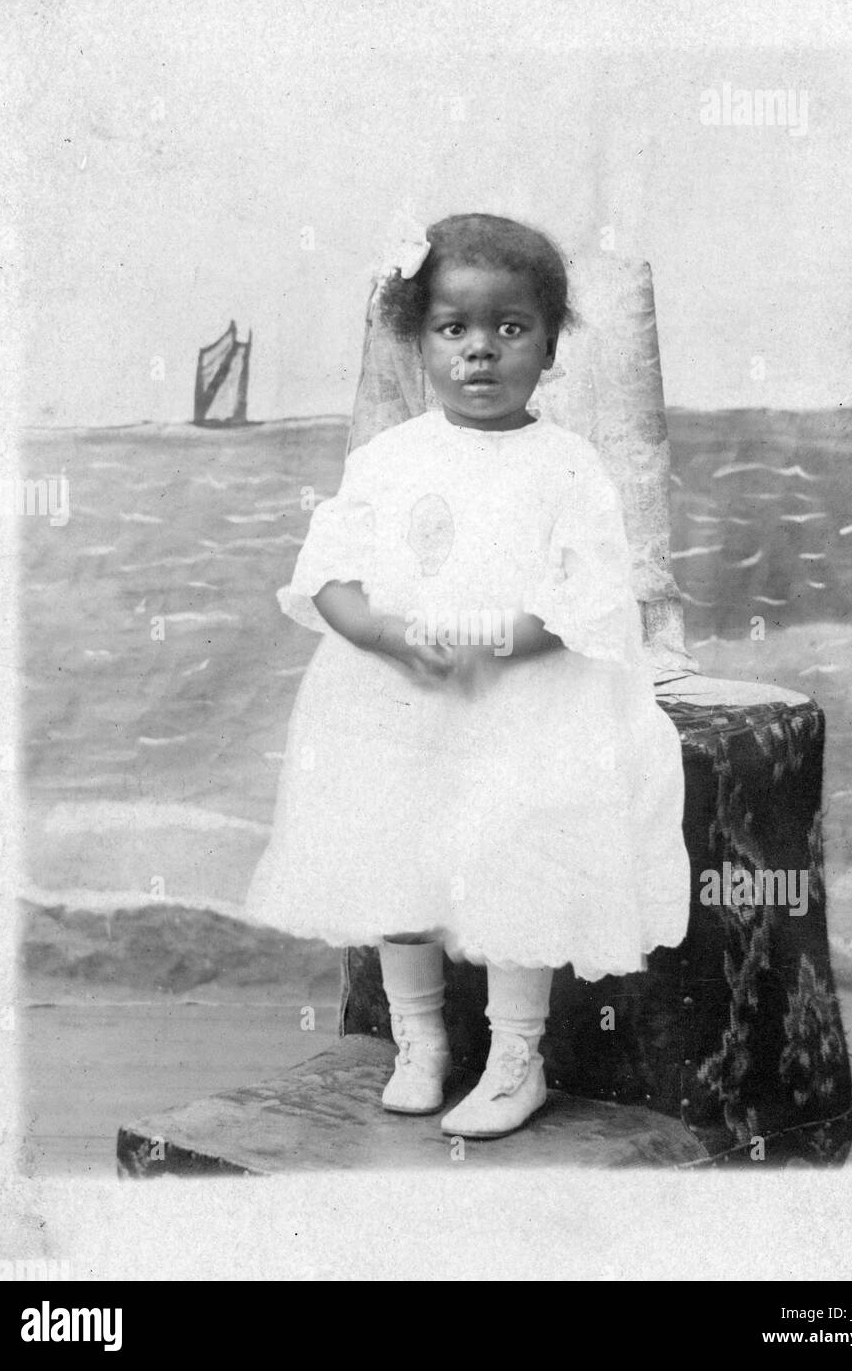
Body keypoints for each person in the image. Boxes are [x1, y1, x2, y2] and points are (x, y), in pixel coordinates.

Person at [244, 212, 690, 1139]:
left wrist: (488, 634)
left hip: (522, 701)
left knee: (512, 867)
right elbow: (325, 574)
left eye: (509, 328)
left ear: (551, 343)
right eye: (455, 330)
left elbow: (592, 598)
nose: (480, 352)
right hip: (396, 700)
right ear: (420, 339)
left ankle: (515, 1056)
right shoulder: (390, 459)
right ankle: (420, 1042)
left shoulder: (569, 467)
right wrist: (388, 634)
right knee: (396, 861)